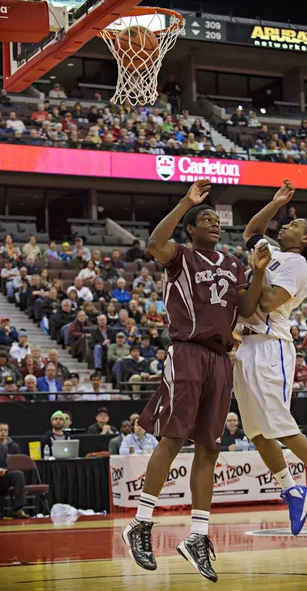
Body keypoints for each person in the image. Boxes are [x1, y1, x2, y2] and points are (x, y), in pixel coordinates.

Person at [123, 179, 270, 582]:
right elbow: (154, 242)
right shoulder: (180, 255)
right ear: (189, 228)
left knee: (209, 447)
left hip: (222, 357)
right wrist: (184, 201)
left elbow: (248, 306)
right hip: (186, 351)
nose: (214, 223)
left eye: (215, 219)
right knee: (172, 439)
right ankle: (140, 521)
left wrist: (257, 273)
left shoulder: (233, 262)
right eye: (204, 218)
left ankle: (198, 536)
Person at [234, 178, 307, 539]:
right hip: (246, 346)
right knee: (256, 431)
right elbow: (251, 230)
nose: (285, 224)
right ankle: (292, 487)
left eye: (294, 225)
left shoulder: (297, 264)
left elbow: (266, 303)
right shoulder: (275, 252)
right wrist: (275, 203)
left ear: (306, 240)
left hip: (271, 347)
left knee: (280, 425)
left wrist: (255, 272)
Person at [0, 421, 29, 520]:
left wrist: (3, 470)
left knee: (18, 475)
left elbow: (4, 465)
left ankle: (18, 509)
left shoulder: (3, 448)